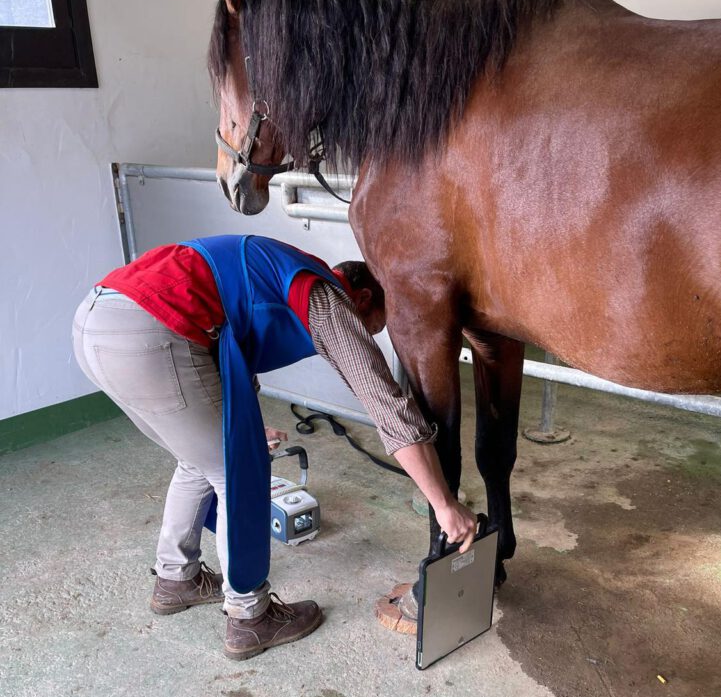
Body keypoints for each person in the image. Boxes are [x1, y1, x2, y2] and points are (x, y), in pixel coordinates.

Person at [72, 235, 477, 660]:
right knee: (237, 472)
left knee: (199, 460)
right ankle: (250, 618)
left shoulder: (281, 274)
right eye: (377, 324)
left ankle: (176, 578)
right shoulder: (326, 297)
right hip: (148, 331)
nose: (374, 335)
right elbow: (386, 404)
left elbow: (226, 338)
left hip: (99, 321)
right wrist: (444, 504)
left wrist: (241, 422)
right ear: (360, 297)